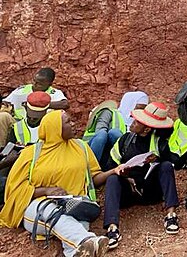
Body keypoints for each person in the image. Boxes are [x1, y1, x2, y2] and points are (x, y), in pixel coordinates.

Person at [0, 110, 121, 257]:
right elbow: (14, 189)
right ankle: (87, 239)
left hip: (74, 206)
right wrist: (46, 191)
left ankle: (81, 246)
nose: (73, 124)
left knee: (74, 239)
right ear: (55, 128)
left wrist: (114, 171)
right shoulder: (31, 153)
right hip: (38, 208)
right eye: (68, 122)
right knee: (51, 212)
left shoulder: (81, 147)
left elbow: (94, 178)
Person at [103, 102, 180, 249]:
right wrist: (123, 174)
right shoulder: (124, 140)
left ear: (146, 129)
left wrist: (159, 157)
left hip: (151, 192)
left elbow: (176, 161)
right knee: (113, 178)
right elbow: (109, 166)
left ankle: (171, 216)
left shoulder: (158, 142)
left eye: (137, 122)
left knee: (166, 166)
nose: (132, 123)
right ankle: (112, 228)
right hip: (128, 193)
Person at [3, 68, 68, 117]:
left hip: (44, 124)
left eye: (39, 84)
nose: (34, 84)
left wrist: (41, 105)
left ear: (49, 84)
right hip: (19, 122)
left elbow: (65, 104)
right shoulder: (22, 90)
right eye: (34, 80)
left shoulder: (54, 93)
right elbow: (5, 102)